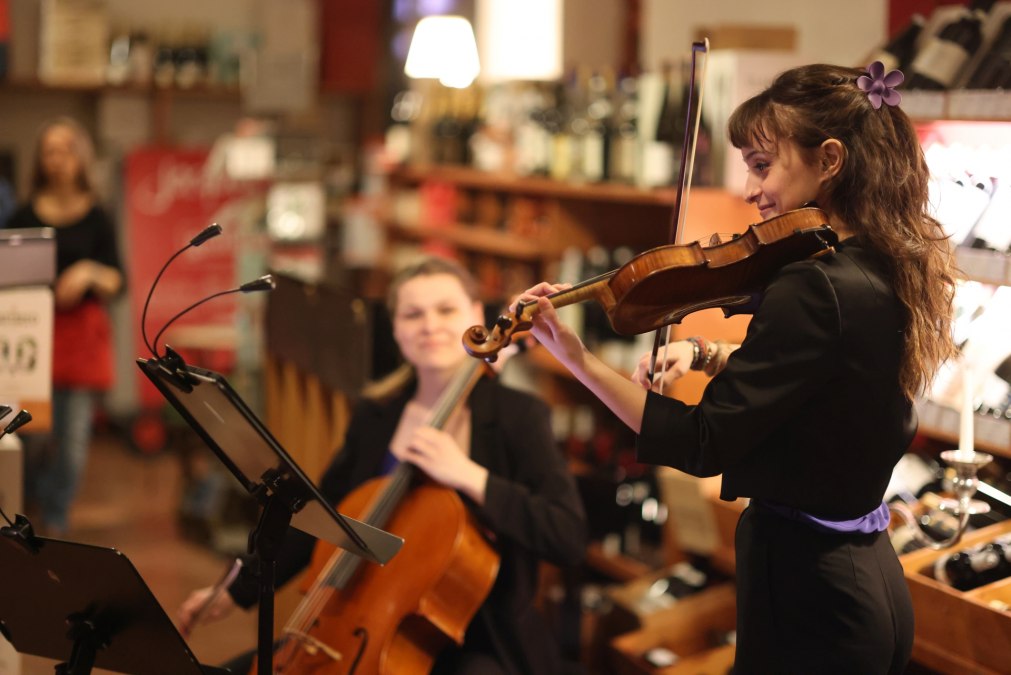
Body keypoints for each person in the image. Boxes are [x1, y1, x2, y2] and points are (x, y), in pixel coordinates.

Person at [516, 62, 955, 674]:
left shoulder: (811, 284)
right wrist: (704, 351)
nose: (751, 190)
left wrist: (578, 359)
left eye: (760, 165)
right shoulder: (885, 263)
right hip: (867, 577)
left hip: (810, 595)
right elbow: (828, 383)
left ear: (829, 160)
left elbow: (701, 442)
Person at [178, 256, 588, 674]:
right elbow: (320, 514)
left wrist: (470, 475)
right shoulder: (377, 415)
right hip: (362, 624)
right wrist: (238, 590)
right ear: (395, 330)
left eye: (446, 310)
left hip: (476, 640)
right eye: (413, 314)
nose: (430, 325)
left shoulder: (518, 417)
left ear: (476, 316)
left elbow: (568, 535)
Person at [4, 117, 124, 537]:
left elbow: (117, 280)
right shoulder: (21, 213)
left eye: (65, 151)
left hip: (80, 342)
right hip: (30, 338)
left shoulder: (98, 217)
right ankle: (29, 506)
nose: (57, 160)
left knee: (72, 445)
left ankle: (55, 522)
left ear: (81, 158)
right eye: (49, 151)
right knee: (30, 437)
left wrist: (90, 272)